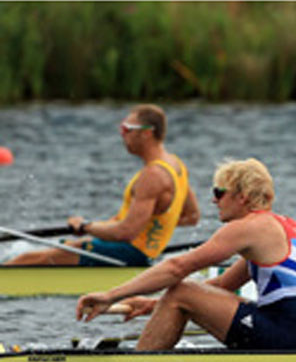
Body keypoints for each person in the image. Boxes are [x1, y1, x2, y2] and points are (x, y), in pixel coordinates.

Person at [76, 158, 296, 351]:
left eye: (218, 192)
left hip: (284, 336)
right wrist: (154, 303)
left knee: (182, 289)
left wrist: (111, 295)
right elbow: (222, 286)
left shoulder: (249, 227)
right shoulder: (281, 225)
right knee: (183, 292)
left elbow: (177, 267)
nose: (214, 201)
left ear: (242, 196)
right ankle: (147, 356)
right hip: (294, 333)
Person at [5, 104, 200, 266]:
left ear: (147, 134)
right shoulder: (176, 165)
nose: (122, 135)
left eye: (126, 129)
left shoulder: (153, 176)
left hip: (129, 254)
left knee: (27, 259)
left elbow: (126, 232)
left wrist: (86, 226)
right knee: (62, 246)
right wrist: (151, 228)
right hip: (141, 251)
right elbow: (191, 216)